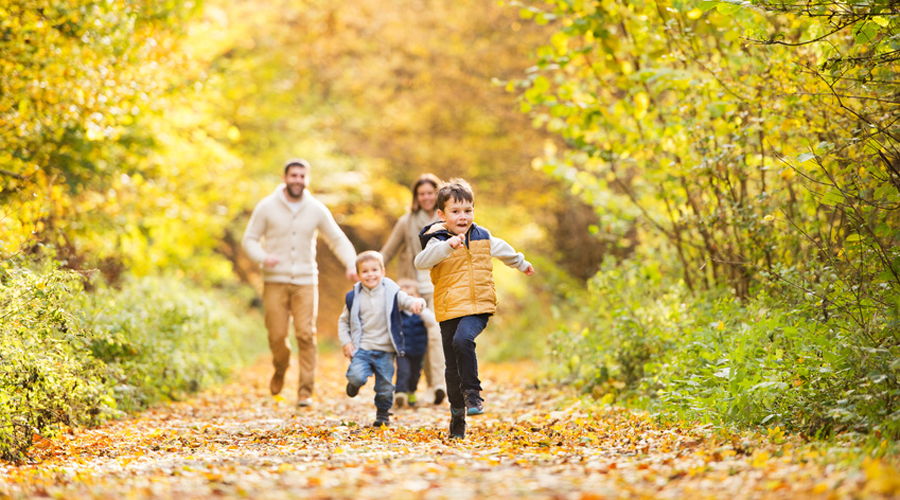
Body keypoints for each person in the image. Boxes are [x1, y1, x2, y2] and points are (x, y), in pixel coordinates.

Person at [414, 178, 534, 439]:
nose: (462, 216)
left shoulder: (482, 236)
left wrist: (521, 263)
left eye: (467, 210)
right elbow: (421, 262)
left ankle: (473, 395)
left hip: (478, 306)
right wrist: (447, 246)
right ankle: (458, 414)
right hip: (449, 310)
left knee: (463, 339)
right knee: (451, 368)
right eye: (455, 211)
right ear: (442, 215)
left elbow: (503, 250)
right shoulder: (437, 240)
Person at [242, 158, 358, 408]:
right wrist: (263, 257)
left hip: (306, 281)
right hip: (274, 281)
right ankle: (281, 367)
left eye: (302, 176)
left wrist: (351, 264)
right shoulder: (267, 207)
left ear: (307, 179)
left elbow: (337, 239)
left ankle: (305, 391)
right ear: (284, 178)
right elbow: (249, 239)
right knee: (277, 335)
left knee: (306, 334)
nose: (298, 180)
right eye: (293, 176)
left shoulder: (316, 209)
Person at [380, 174, 447, 405]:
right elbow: (387, 252)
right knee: (415, 338)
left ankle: (437, 384)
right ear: (416, 197)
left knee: (436, 335)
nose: (426, 197)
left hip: (439, 286)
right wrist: (369, 270)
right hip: (412, 289)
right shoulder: (406, 222)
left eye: (430, 192)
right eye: (422, 194)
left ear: (437, 194)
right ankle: (416, 386)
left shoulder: (447, 220)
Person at [339, 251, 426, 427]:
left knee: (385, 387)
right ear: (358, 275)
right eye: (365, 271)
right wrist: (346, 342)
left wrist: (418, 303)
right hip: (362, 348)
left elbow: (408, 300)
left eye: (374, 270)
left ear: (383, 272)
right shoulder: (353, 297)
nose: (370, 274)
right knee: (356, 376)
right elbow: (343, 321)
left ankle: (383, 414)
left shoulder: (392, 293)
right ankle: (353, 385)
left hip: (385, 350)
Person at [393, 279, 438, 408]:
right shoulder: (397, 313)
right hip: (402, 350)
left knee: (415, 373)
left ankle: (411, 392)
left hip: (418, 350)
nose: (408, 300)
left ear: (418, 297)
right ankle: (400, 393)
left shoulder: (422, 314)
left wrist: (420, 309)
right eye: (404, 296)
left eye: (411, 296)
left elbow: (432, 322)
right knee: (403, 371)